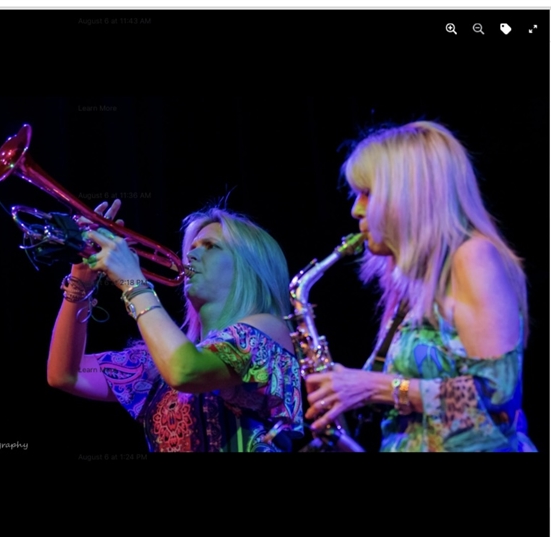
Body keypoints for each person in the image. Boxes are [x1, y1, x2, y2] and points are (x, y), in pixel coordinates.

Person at [304, 120, 536, 452]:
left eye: (368, 194)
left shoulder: (472, 257)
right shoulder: (411, 287)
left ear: (410, 196)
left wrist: (375, 387)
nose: (356, 209)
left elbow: (498, 399)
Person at [46, 202, 303, 452]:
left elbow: (185, 370)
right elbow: (66, 374)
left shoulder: (270, 330)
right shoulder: (159, 361)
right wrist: (81, 280)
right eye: (192, 247)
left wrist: (134, 283)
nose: (190, 255)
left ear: (250, 268)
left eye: (211, 246)